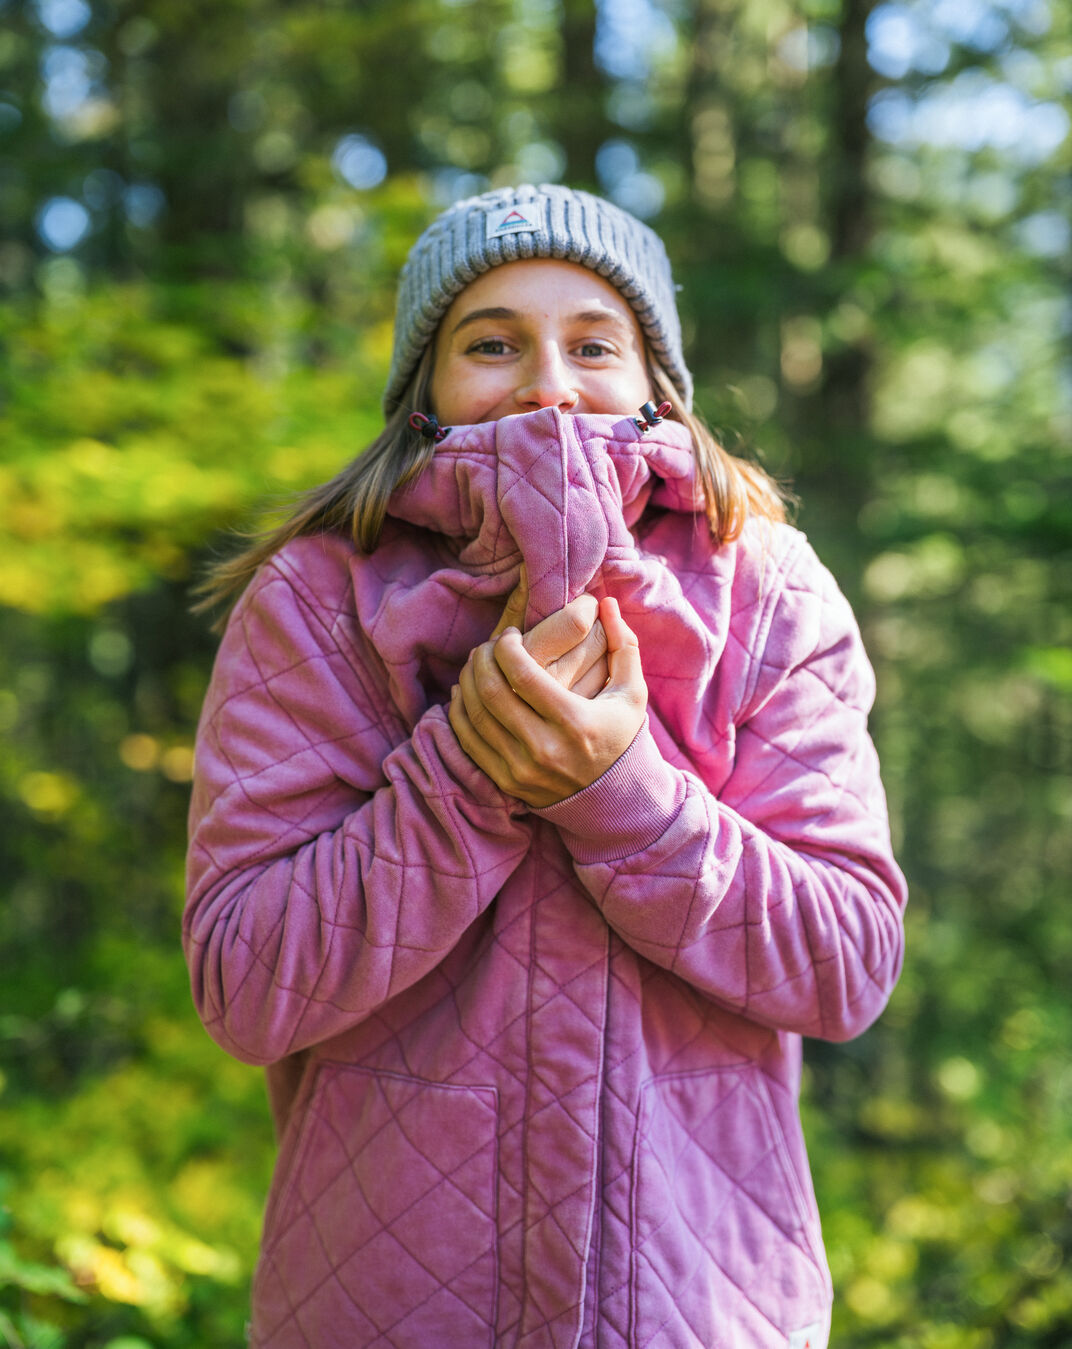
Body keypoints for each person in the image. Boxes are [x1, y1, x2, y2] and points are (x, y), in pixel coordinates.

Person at [184, 183, 907, 1349]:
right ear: (424, 385)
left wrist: (626, 794)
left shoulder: (766, 587)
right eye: (491, 341)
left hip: (701, 1304)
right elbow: (246, 979)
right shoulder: (315, 597)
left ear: (655, 379)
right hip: (380, 1305)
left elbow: (845, 962)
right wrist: (469, 775)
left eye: (591, 341)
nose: (547, 382)